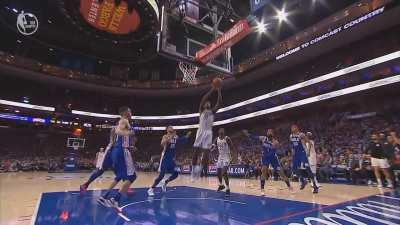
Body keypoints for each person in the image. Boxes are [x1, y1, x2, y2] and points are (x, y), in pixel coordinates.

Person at [104, 106, 136, 210]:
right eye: (130, 111)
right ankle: (115, 199)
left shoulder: (122, 121)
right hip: (122, 151)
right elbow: (118, 131)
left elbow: (116, 134)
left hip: (119, 150)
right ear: (126, 112)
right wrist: (129, 133)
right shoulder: (124, 120)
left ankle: (110, 197)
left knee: (124, 177)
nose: (131, 112)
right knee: (131, 177)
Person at [245, 129, 291, 195]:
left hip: (273, 158)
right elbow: (255, 137)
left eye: (270, 132)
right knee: (264, 171)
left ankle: (289, 187)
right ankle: (262, 189)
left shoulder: (275, 142)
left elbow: (272, 152)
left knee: (281, 173)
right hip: (265, 158)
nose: (268, 132)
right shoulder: (263, 138)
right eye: (268, 131)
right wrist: (249, 135)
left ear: (272, 134)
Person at [148, 126, 191, 196]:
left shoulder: (176, 136)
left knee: (176, 173)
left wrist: (186, 136)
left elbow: (180, 141)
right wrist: (170, 137)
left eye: (172, 128)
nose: (171, 129)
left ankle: (165, 182)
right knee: (161, 175)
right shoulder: (165, 136)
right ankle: (151, 189)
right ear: (167, 130)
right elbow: (162, 144)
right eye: (170, 128)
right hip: (165, 158)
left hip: (172, 158)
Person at [192, 87, 222, 180]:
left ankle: (200, 170)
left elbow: (219, 103)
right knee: (196, 153)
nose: (207, 103)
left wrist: (219, 90)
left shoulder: (212, 112)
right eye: (206, 103)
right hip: (200, 131)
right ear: (204, 105)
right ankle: (194, 172)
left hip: (208, 133)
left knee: (205, 155)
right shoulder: (201, 110)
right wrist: (212, 89)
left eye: (209, 103)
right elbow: (204, 98)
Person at [80, 127, 119, 193]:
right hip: (110, 151)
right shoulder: (115, 129)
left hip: (116, 151)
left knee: (119, 171)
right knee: (100, 171)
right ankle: (85, 185)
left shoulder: (124, 130)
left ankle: (126, 186)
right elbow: (114, 141)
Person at [290, 125, 318, 194]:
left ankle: (315, 186)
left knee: (308, 169)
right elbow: (293, 146)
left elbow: (309, 142)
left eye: (294, 127)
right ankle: (303, 181)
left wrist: (308, 151)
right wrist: (292, 154)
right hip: (296, 154)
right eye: (291, 128)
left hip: (302, 153)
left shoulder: (301, 134)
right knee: (294, 168)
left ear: (297, 128)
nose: (292, 128)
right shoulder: (291, 136)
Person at [212, 128, 235, 196]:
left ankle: (228, 189)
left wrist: (233, 157)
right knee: (218, 172)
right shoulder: (216, 139)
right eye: (220, 130)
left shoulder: (227, 138)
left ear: (224, 132)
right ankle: (221, 185)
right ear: (218, 132)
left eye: (222, 130)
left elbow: (232, 147)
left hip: (227, 156)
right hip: (220, 156)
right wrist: (211, 148)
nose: (221, 131)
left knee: (224, 172)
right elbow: (214, 147)